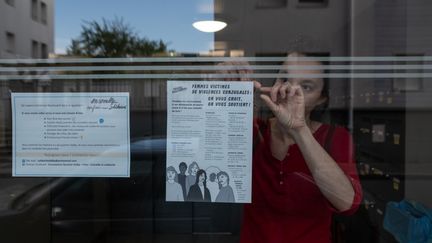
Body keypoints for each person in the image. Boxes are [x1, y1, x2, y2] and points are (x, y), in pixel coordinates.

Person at [240, 52, 363, 243]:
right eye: (285, 78)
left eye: (306, 86)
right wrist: (221, 86)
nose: (289, 90)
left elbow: (348, 203)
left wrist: (299, 129)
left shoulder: (335, 137)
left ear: (321, 99)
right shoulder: (254, 131)